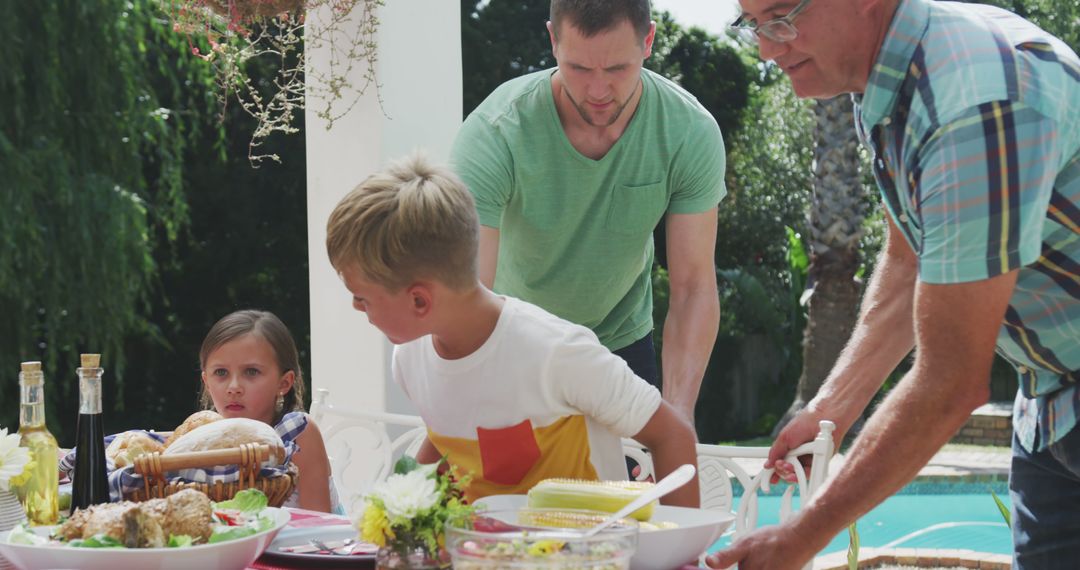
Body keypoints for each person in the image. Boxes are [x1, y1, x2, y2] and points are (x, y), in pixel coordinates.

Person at [707, 0, 1080, 568]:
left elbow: (951, 384)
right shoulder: (889, 78)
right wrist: (829, 412)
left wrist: (801, 536)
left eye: (782, 15)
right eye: (753, 23)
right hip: (1053, 396)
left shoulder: (971, 100)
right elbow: (909, 263)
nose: (765, 47)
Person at [325, 154, 700, 506]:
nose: (357, 308)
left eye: (361, 297)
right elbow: (449, 435)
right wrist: (399, 507)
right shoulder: (410, 359)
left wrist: (681, 555)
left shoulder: (557, 354)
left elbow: (673, 435)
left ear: (420, 302)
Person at [449, 0, 726, 422]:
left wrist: (680, 411)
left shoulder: (689, 132)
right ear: (553, 41)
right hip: (512, 343)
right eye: (578, 69)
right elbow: (469, 293)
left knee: (636, 487)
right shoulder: (495, 132)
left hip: (620, 346)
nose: (598, 91)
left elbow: (692, 288)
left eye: (617, 69)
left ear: (648, 40)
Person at [199, 310, 343, 514]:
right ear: (206, 382)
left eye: (251, 372)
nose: (234, 387)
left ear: (284, 383)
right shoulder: (204, 442)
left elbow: (319, 526)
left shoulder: (297, 435)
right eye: (221, 373)